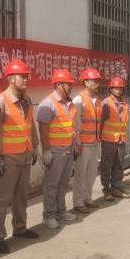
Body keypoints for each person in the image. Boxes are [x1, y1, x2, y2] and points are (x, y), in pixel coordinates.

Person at [0, 60, 41, 254]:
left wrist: (35, 146)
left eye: (27, 76)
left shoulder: (26, 100)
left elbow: (30, 125)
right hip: (7, 160)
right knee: (1, 199)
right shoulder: (0, 102)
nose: (26, 79)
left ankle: (20, 228)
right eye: (22, 76)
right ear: (10, 79)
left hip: (25, 156)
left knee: (21, 196)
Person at [37, 69, 79, 228]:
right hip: (55, 151)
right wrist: (46, 151)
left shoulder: (69, 103)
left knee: (63, 183)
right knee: (52, 184)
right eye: (69, 84)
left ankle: (61, 211)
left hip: (68, 149)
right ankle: (48, 215)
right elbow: (43, 129)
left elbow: (70, 127)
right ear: (59, 85)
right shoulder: (48, 103)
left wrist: (74, 146)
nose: (71, 87)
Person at [71, 69, 103, 213]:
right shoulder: (78, 100)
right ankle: (78, 202)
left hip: (95, 142)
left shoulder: (97, 100)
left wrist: (99, 141)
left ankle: (87, 198)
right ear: (86, 82)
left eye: (98, 81)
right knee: (80, 174)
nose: (98, 84)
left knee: (91, 173)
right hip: (83, 144)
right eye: (95, 81)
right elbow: (76, 125)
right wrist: (77, 143)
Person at [100, 77, 130, 202]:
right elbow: (100, 122)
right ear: (111, 89)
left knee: (118, 166)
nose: (118, 90)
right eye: (116, 88)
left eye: (120, 88)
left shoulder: (125, 103)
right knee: (106, 167)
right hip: (108, 140)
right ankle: (107, 191)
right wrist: (99, 140)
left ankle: (116, 188)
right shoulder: (106, 103)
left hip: (121, 140)